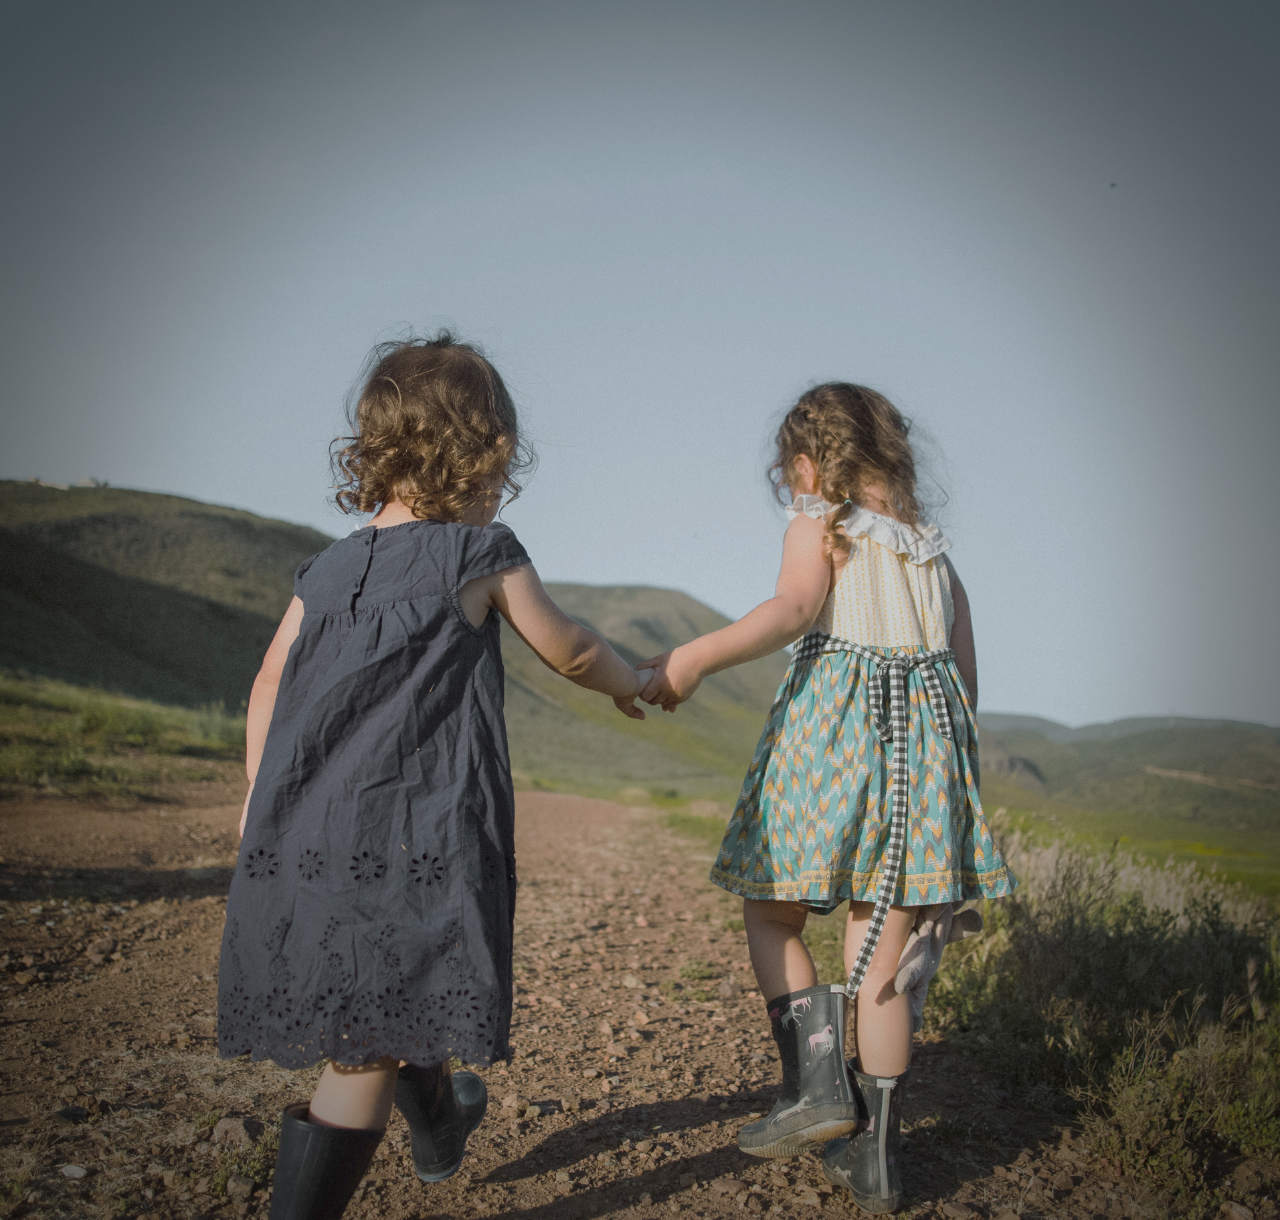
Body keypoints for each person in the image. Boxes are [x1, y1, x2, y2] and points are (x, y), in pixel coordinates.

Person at [217, 333, 650, 1220]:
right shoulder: (478, 552)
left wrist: (260, 803)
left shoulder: (325, 568)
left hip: (303, 826)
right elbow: (567, 649)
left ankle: (441, 1123)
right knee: (364, 1043)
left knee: (388, 988)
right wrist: (635, 680)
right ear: (481, 450)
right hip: (411, 830)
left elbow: (267, 682)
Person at [640, 383, 1015, 1213]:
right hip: (926, 761)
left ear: (809, 464)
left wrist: (693, 659)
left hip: (832, 746)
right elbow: (964, 678)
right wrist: (947, 784)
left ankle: (816, 1086)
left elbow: (794, 608)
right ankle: (876, 1158)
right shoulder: (932, 552)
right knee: (881, 960)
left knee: (773, 910)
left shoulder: (821, 523)